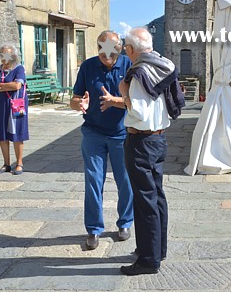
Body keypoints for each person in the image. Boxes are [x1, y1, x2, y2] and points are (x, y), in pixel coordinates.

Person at [119, 26, 183, 276]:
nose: (125, 51)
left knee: (145, 201)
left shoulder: (139, 73)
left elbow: (139, 112)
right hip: (159, 139)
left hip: (141, 141)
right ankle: (158, 250)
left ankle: (147, 260)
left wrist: (123, 95)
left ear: (132, 49)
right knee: (157, 197)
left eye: (126, 47)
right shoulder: (163, 65)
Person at [70, 30, 133, 251]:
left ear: (120, 48)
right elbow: (75, 98)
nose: (106, 54)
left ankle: (125, 222)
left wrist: (114, 101)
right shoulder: (88, 66)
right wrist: (78, 104)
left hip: (121, 133)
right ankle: (94, 229)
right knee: (93, 181)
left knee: (124, 181)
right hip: (93, 133)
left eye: (111, 49)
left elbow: (138, 101)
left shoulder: (129, 66)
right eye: (101, 48)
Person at [0, 43, 28, 175]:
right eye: (2, 54)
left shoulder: (19, 69)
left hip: (16, 105)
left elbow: (17, 85)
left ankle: (19, 163)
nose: (3, 57)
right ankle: (6, 164)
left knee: (16, 134)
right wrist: (4, 86)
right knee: (2, 134)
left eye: (7, 54)